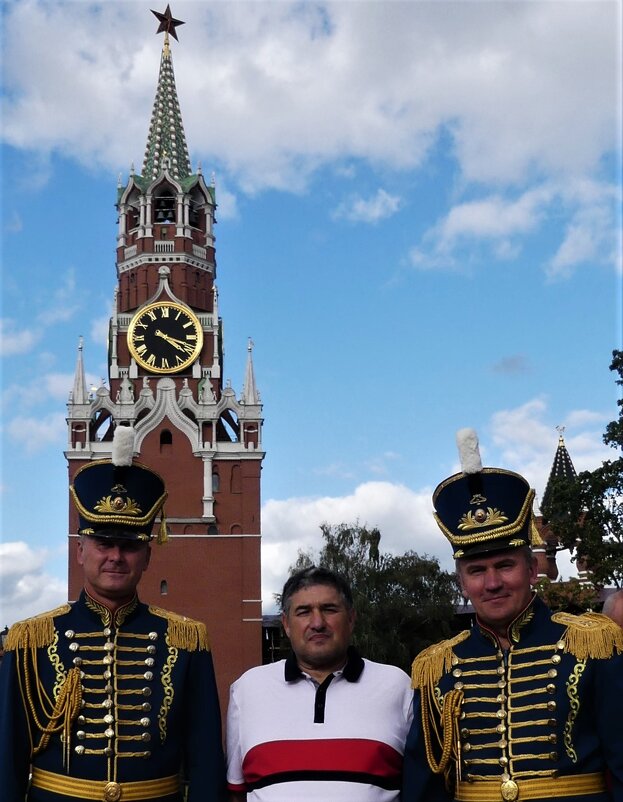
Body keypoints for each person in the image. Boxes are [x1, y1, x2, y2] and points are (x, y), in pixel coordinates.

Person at [0, 425, 226, 802]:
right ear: (80, 552)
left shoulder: (187, 641)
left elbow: (204, 761)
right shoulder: (31, 638)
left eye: (130, 546)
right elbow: (7, 759)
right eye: (104, 543)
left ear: (148, 556)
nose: (116, 557)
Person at [402, 428, 623, 802]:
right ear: (461, 582)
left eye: (504, 566)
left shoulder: (592, 645)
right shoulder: (436, 666)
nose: (492, 583)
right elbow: (425, 785)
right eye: (476, 571)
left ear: (530, 569)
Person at [226, 566, 413, 801]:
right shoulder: (247, 690)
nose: (317, 623)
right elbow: (236, 792)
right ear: (285, 623)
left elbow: (420, 787)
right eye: (304, 611)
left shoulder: (397, 686)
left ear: (351, 618)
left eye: (329, 609)